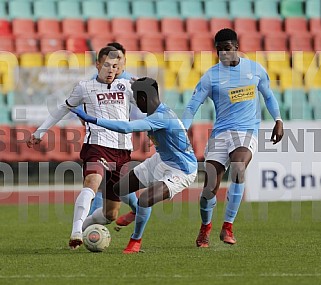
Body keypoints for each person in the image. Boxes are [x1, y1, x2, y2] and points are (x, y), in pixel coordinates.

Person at [26, 46, 139, 249]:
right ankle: (76, 230)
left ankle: (84, 228)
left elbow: (149, 107)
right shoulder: (84, 87)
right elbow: (63, 108)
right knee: (92, 181)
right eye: (106, 65)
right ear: (97, 65)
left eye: (115, 66)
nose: (111, 70)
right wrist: (40, 132)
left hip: (123, 152)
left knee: (110, 214)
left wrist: (146, 90)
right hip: (97, 146)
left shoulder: (126, 87)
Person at [70, 77, 198, 254]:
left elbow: (126, 128)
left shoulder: (160, 117)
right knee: (118, 188)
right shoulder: (158, 109)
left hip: (182, 170)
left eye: (137, 99)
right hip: (160, 160)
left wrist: (92, 119)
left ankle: (135, 241)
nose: (136, 104)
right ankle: (136, 212)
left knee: (145, 199)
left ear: (143, 99)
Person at [181, 28, 284, 247]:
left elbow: (269, 96)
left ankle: (227, 226)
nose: (224, 54)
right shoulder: (211, 76)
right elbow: (193, 105)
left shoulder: (255, 69)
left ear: (236, 47)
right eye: (219, 51)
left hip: (246, 131)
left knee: (238, 167)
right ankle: (205, 227)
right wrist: (183, 129)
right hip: (221, 133)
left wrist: (278, 120)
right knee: (210, 186)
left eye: (227, 49)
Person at [88, 42, 138, 223]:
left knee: (119, 186)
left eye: (120, 60)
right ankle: (89, 224)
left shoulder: (131, 82)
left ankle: (138, 209)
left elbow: (144, 111)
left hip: (122, 143)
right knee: (104, 184)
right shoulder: (96, 80)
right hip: (101, 142)